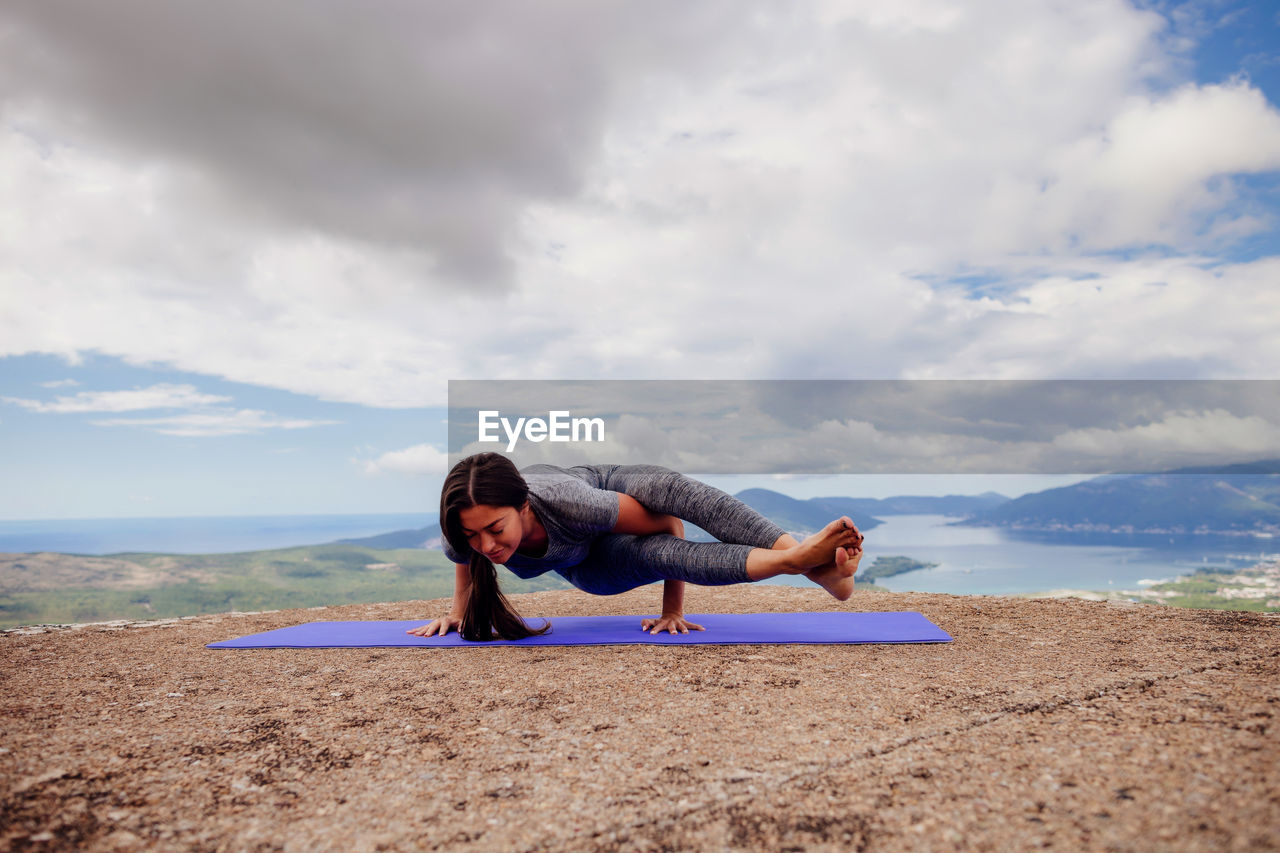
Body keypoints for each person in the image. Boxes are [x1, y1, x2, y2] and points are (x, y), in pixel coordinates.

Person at [407, 453, 863, 641]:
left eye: (495, 529)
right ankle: (809, 565)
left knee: (676, 493)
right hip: (591, 564)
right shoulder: (463, 526)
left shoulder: (571, 502)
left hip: (609, 490)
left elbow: (668, 523)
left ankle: (804, 561)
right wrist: (457, 612)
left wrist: (673, 609)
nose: (485, 545)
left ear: (523, 505)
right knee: (648, 555)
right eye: (472, 536)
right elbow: (465, 562)